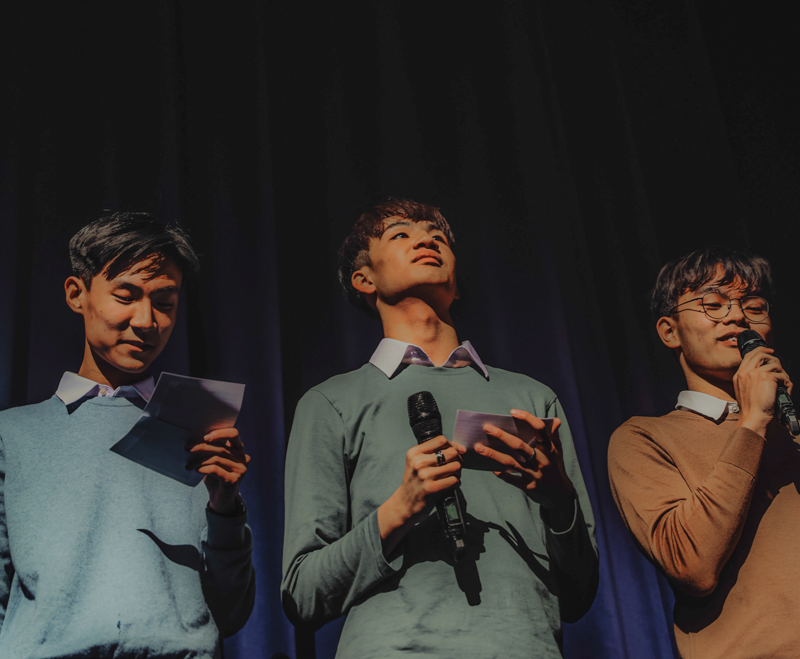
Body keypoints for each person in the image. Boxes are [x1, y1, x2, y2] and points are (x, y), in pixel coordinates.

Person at [281, 197, 598, 659]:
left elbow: (579, 594)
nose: (427, 239)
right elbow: (303, 594)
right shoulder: (331, 403)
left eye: (438, 236)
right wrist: (400, 508)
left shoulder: (533, 397)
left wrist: (558, 500)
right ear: (364, 279)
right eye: (401, 234)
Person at [0, 210, 255, 659]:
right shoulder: (12, 433)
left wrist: (225, 508)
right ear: (76, 294)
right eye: (126, 295)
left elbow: (231, 613)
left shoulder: (198, 429)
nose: (146, 320)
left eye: (165, 302)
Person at [608, 246, 800, 659]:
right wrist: (751, 423)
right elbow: (691, 567)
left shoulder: (793, 431)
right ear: (670, 331)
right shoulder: (643, 438)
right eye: (712, 304)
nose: (736, 317)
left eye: (753, 306)